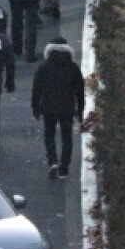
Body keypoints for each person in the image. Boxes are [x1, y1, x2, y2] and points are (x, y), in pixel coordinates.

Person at [31, 37, 85, 178]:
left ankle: (52, 161)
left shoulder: (43, 67)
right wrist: (80, 111)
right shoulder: (73, 68)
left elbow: (36, 89)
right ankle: (64, 166)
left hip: (48, 107)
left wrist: (35, 107)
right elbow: (80, 91)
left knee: (49, 135)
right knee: (67, 137)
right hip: (67, 107)